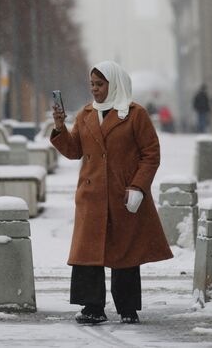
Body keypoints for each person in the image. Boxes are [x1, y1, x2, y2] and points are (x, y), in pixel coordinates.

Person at [50, 61, 173, 325]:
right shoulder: (85, 115)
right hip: (91, 197)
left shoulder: (135, 114)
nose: (95, 90)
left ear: (114, 84)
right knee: (88, 255)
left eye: (100, 84)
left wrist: (138, 186)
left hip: (123, 195)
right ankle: (92, 307)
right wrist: (60, 128)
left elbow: (151, 155)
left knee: (124, 255)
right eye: (92, 84)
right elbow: (74, 151)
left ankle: (127, 309)